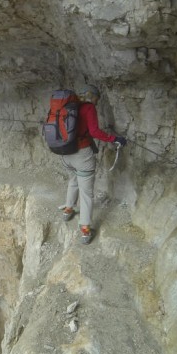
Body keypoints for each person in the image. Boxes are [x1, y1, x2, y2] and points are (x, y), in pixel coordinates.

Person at [61, 85, 126, 244]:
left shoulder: (68, 106)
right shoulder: (88, 108)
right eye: (97, 98)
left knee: (73, 180)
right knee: (86, 193)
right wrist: (115, 139)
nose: (97, 102)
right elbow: (94, 132)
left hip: (64, 153)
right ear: (92, 96)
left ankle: (68, 210)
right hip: (81, 156)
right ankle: (85, 230)